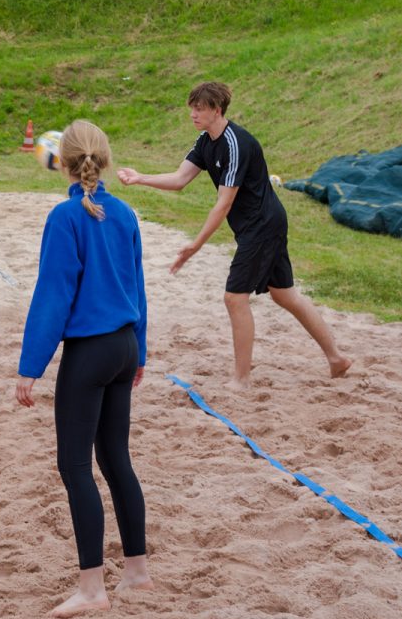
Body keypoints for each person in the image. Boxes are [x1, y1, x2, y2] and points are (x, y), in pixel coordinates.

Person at [117, 81, 352, 391]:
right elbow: (179, 179)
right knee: (285, 295)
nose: (193, 114)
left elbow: (224, 203)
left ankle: (241, 379)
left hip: (262, 226)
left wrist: (196, 244)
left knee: (234, 298)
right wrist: (140, 178)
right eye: (192, 108)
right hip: (259, 225)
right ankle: (337, 358)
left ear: (217, 110)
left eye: (199, 109)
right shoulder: (205, 141)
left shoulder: (236, 143)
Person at [16, 120, 150, 619]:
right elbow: (137, 289)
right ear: (105, 159)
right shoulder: (125, 213)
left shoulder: (65, 216)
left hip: (91, 353)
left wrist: (30, 366)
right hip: (123, 345)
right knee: (116, 460)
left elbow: (53, 295)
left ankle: (93, 589)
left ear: (64, 163)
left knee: (75, 466)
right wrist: (140, 351)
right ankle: (137, 572)